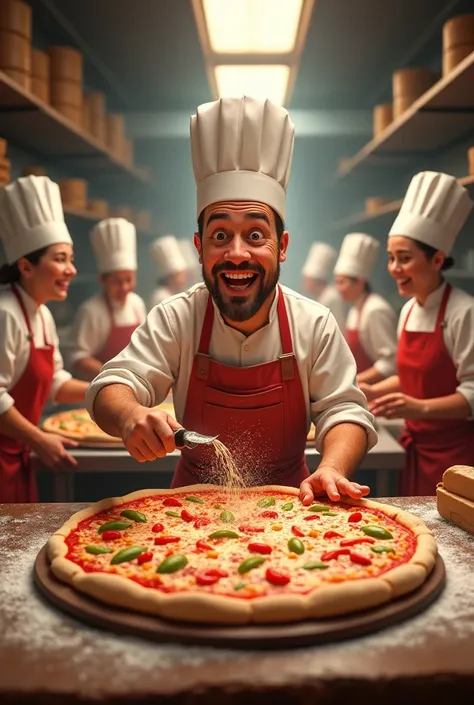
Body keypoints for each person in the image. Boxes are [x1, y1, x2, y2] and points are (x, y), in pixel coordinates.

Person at [86, 96, 376, 504]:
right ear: (199, 248)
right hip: (187, 512)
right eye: (220, 235)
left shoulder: (315, 323)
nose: (237, 253)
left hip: (298, 508)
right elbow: (112, 384)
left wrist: (332, 467)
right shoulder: (177, 317)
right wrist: (131, 415)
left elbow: (345, 411)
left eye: (255, 235)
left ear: (282, 246)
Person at [361, 171, 474, 496]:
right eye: (391, 258)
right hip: (415, 448)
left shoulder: (463, 312)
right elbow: (410, 376)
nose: (394, 268)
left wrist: (418, 408)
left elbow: (471, 395)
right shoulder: (409, 309)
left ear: (437, 259)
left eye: (405, 259)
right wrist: (374, 389)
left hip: (456, 460)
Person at [0, 176, 88, 502]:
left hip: (17, 453)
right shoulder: (6, 313)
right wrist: (38, 438)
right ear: (25, 266)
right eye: (60, 259)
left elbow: (55, 383)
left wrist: (104, 391)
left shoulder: (41, 312)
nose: (71, 270)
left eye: (71, 259)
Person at [69, 218, 146, 381]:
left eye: (129, 279)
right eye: (117, 281)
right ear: (103, 280)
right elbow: (78, 358)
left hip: (133, 384)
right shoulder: (91, 310)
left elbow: (144, 347)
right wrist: (115, 376)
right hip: (97, 386)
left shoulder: (137, 303)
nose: (125, 287)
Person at [334, 233, 398, 385]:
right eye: (336, 282)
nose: (338, 288)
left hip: (377, 391)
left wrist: (353, 383)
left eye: (342, 282)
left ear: (360, 281)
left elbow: (390, 363)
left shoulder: (375, 310)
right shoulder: (355, 308)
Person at [302, 242, 347, 329]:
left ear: (316, 280)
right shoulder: (321, 297)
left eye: (307, 279)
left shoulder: (332, 297)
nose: (304, 282)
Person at [149, 235, 188, 308]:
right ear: (171, 276)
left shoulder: (174, 293)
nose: (184, 278)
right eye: (181, 274)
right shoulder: (161, 296)